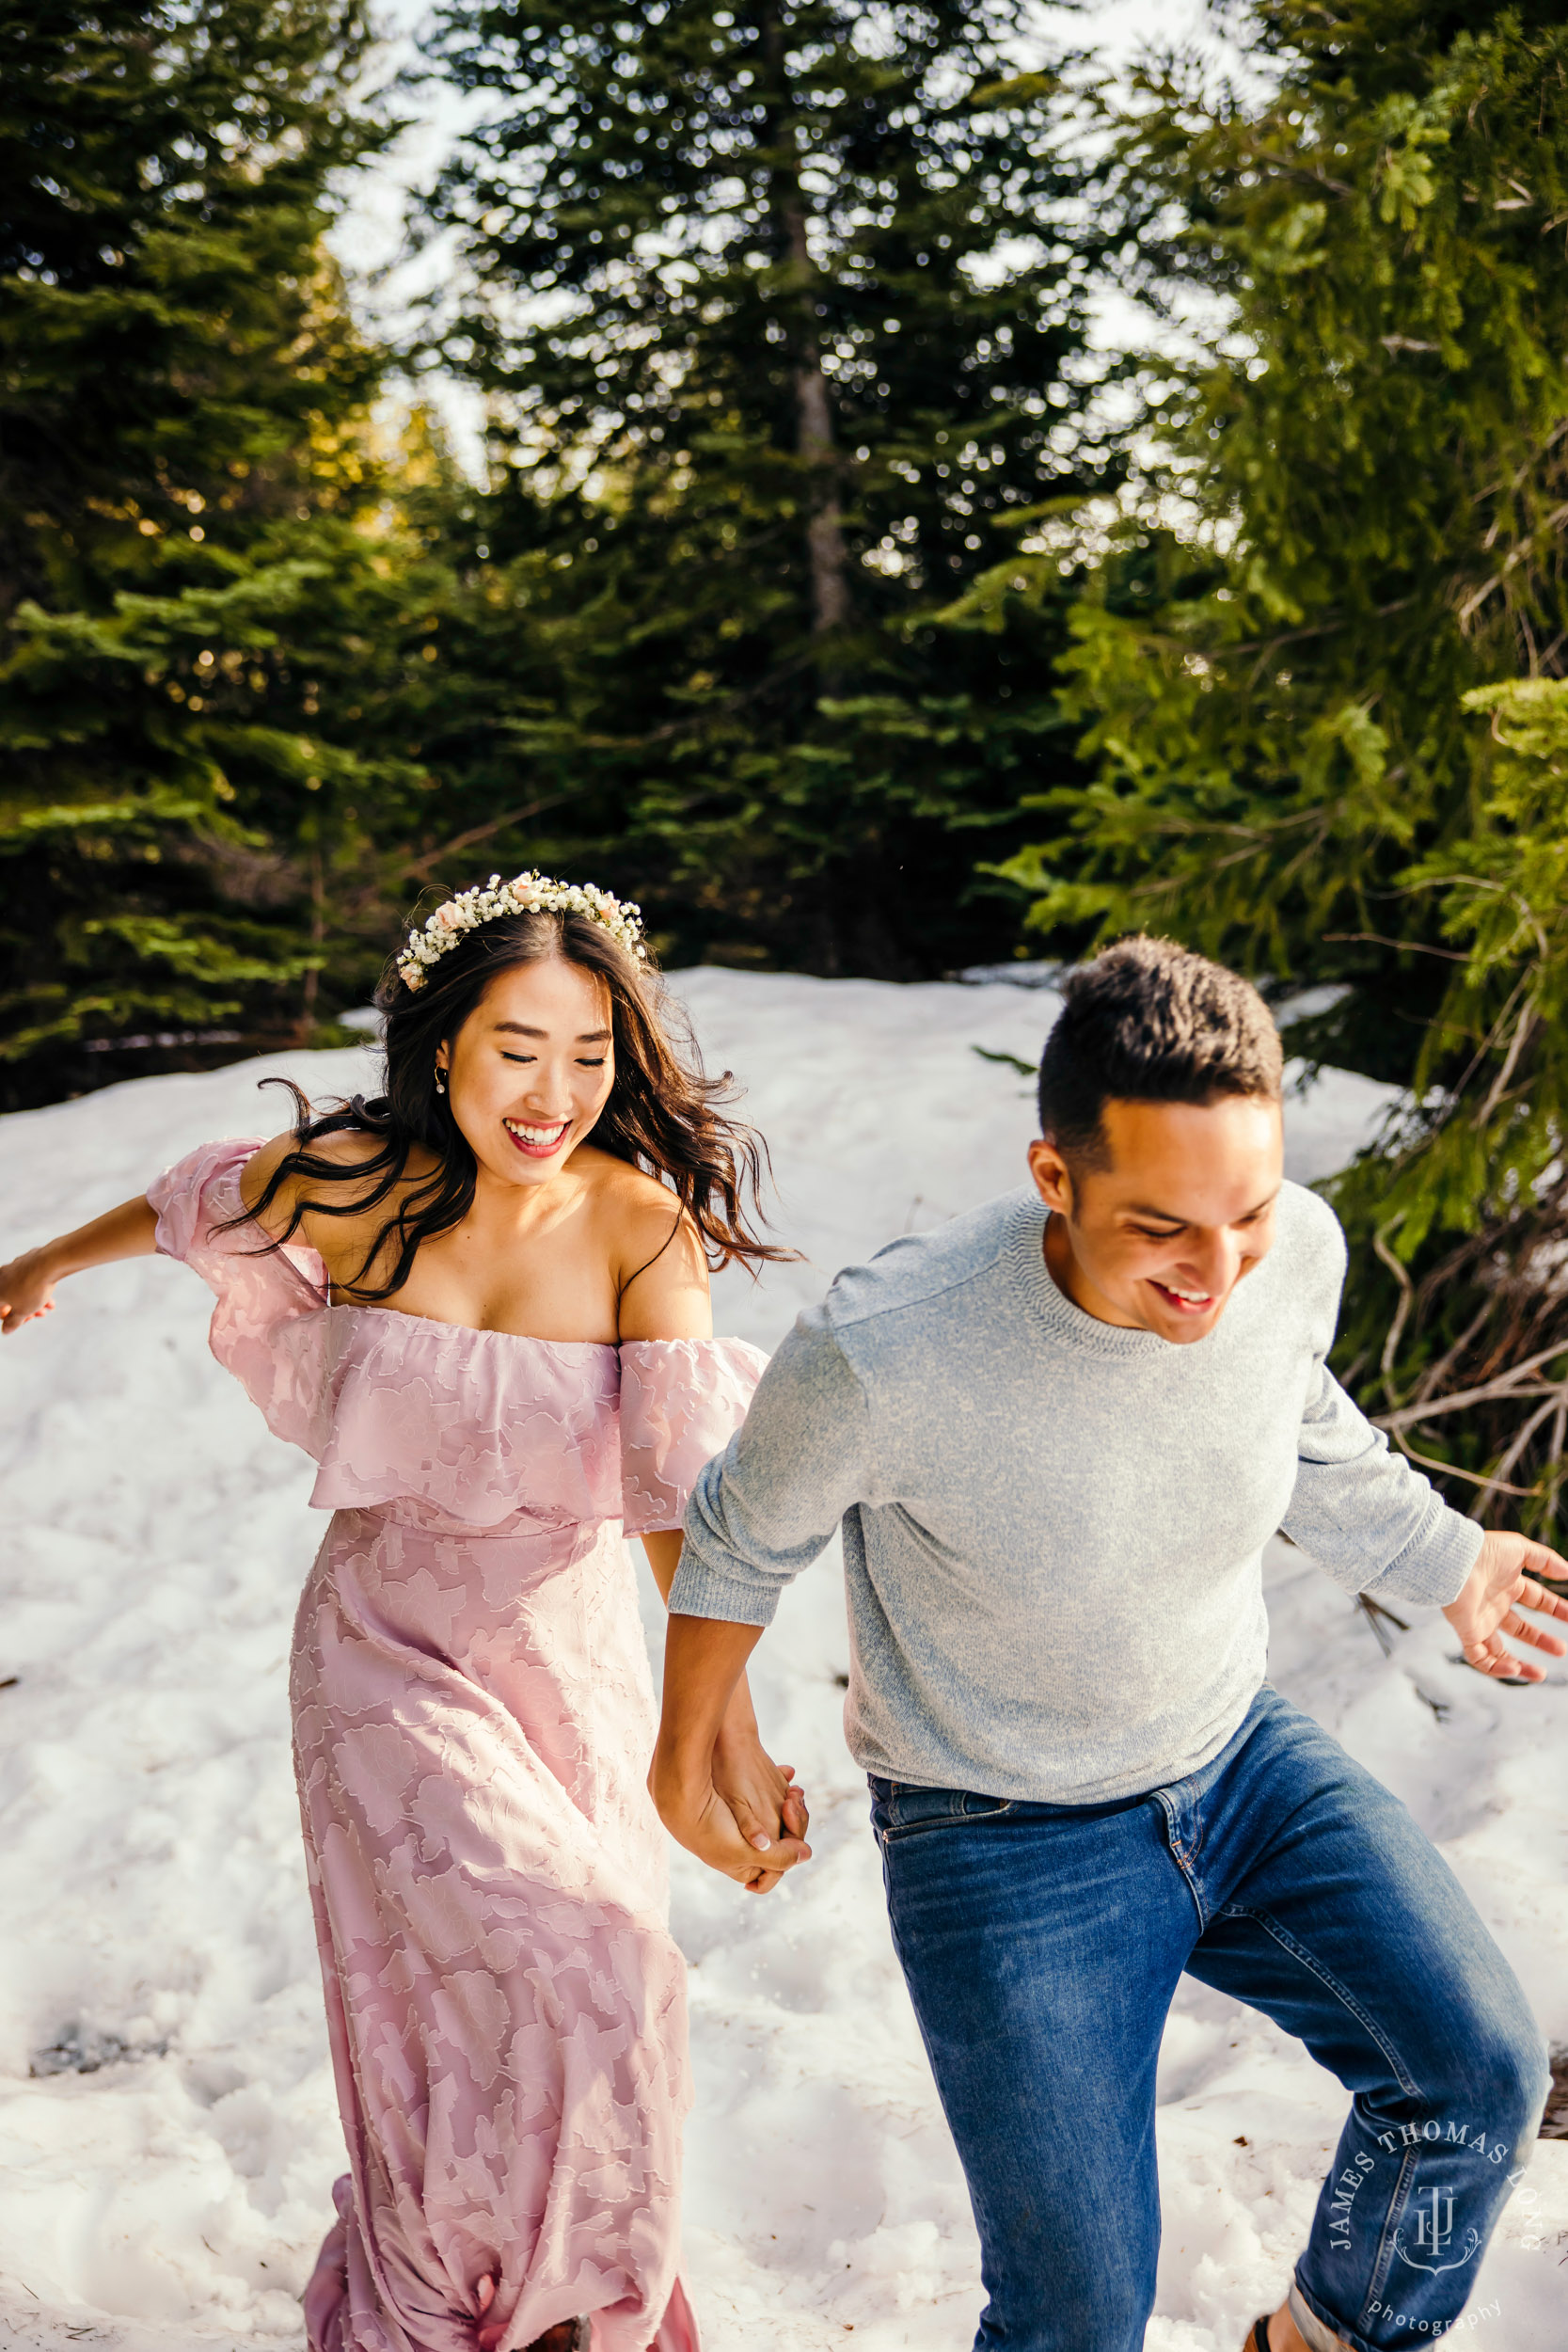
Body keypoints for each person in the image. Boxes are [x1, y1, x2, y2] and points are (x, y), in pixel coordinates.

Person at [649, 935, 1566, 2352]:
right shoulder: (888, 1349)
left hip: (1237, 1763)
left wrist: (1451, 1562)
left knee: (1475, 2075)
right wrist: (691, 1752)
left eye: (1246, 1214)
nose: (1218, 1273)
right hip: (1002, 1839)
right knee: (1077, 2312)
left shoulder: (1291, 1254)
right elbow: (736, 1536)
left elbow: (1300, 1424)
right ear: (1054, 1180)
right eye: (1162, 1230)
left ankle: (1322, 2342)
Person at [0, 872, 808, 2352]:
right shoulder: (352, 1180)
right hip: (382, 1658)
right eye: (518, 1049)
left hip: (573, 1673)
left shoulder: (640, 1226)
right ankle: (444, 2306)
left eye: (588, 1054)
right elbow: (191, 1199)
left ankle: (574, 2311)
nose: (553, 1091)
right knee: (548, 1985)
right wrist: (41, 1262)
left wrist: (717, 1746)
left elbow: (681, 1510)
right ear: (441, 1045)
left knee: (574, 2014)